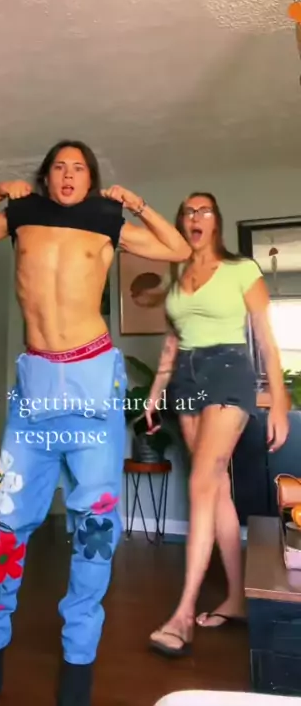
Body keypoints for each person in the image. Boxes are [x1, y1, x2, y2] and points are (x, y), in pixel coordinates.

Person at [0, 140, 191, 704]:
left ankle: (79, 658)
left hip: (92, 383)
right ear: (46, 176)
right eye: (59, 166)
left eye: (79, 168)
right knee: (6, 522)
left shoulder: (107, 218)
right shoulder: (22, 214)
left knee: (95, 530)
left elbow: (176, 248)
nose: (68, 174)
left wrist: (138, 204)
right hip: (35, 387)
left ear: (91, 179)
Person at [145, 191, 289, 658]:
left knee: (202, 481)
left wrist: (280, 400)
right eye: (188, 211)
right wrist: (154, 393)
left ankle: (183, 613)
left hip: (228, 370)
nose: (195, 217)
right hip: (185, 378)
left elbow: (265, 337)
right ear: (181, 223)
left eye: (204, 210)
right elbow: (172, 343)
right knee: (217, 489)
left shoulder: (241, 269)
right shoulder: (177, 279)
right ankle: (236, 599)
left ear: (216, 222)